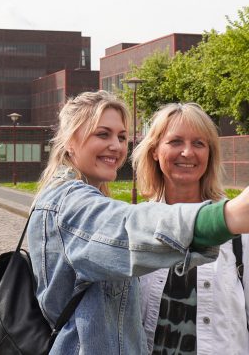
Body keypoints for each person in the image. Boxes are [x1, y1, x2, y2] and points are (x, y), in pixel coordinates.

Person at [27, 90, 249, 354]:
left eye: (121, 137)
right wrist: (229, 216)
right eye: (103, 134)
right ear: (70, 140)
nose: (117, 146)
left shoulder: (90, 200)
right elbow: (125, 228)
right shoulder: (69, 204)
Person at [134, 102, 249, 354]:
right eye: (175, 141)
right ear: (154, 151)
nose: (187, 152)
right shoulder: (138, 225)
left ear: (210, 154)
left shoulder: (238, 229)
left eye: (199, 143)